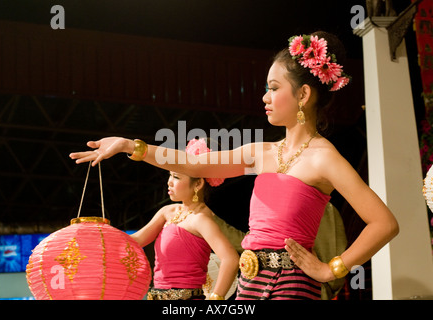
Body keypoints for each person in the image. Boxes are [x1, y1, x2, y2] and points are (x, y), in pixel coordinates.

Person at [70, 31, 399, 300]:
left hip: (293, 288)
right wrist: (131, 146)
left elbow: (384, 223)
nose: (264, 98)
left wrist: (332, 268)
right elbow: (192, 165)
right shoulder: (261, 152)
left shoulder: (324, 157)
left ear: (303, 94)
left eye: (273, 88)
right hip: (248, 284)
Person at [129, 138, 239, 300]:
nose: (169, 182)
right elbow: (136, 240)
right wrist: (100, 235)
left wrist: (216, 298)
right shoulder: (168, 212)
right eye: (170, 176)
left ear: (198, 184)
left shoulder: (201, 219)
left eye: (176, 177)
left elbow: (230, 259)